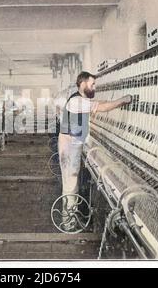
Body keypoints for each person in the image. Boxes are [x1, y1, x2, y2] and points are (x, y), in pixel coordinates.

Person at [58, 71, 132, 230]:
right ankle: (68, 223)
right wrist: (124, 100)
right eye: (92, 84)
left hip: (72, 145)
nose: (94, 87)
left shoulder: (79, 100)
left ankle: (70, 217)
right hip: (70, 148)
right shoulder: (77, 101)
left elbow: (100, 102)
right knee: (70, 184)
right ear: (83, 84)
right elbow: (103, 107)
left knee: (72, 183)